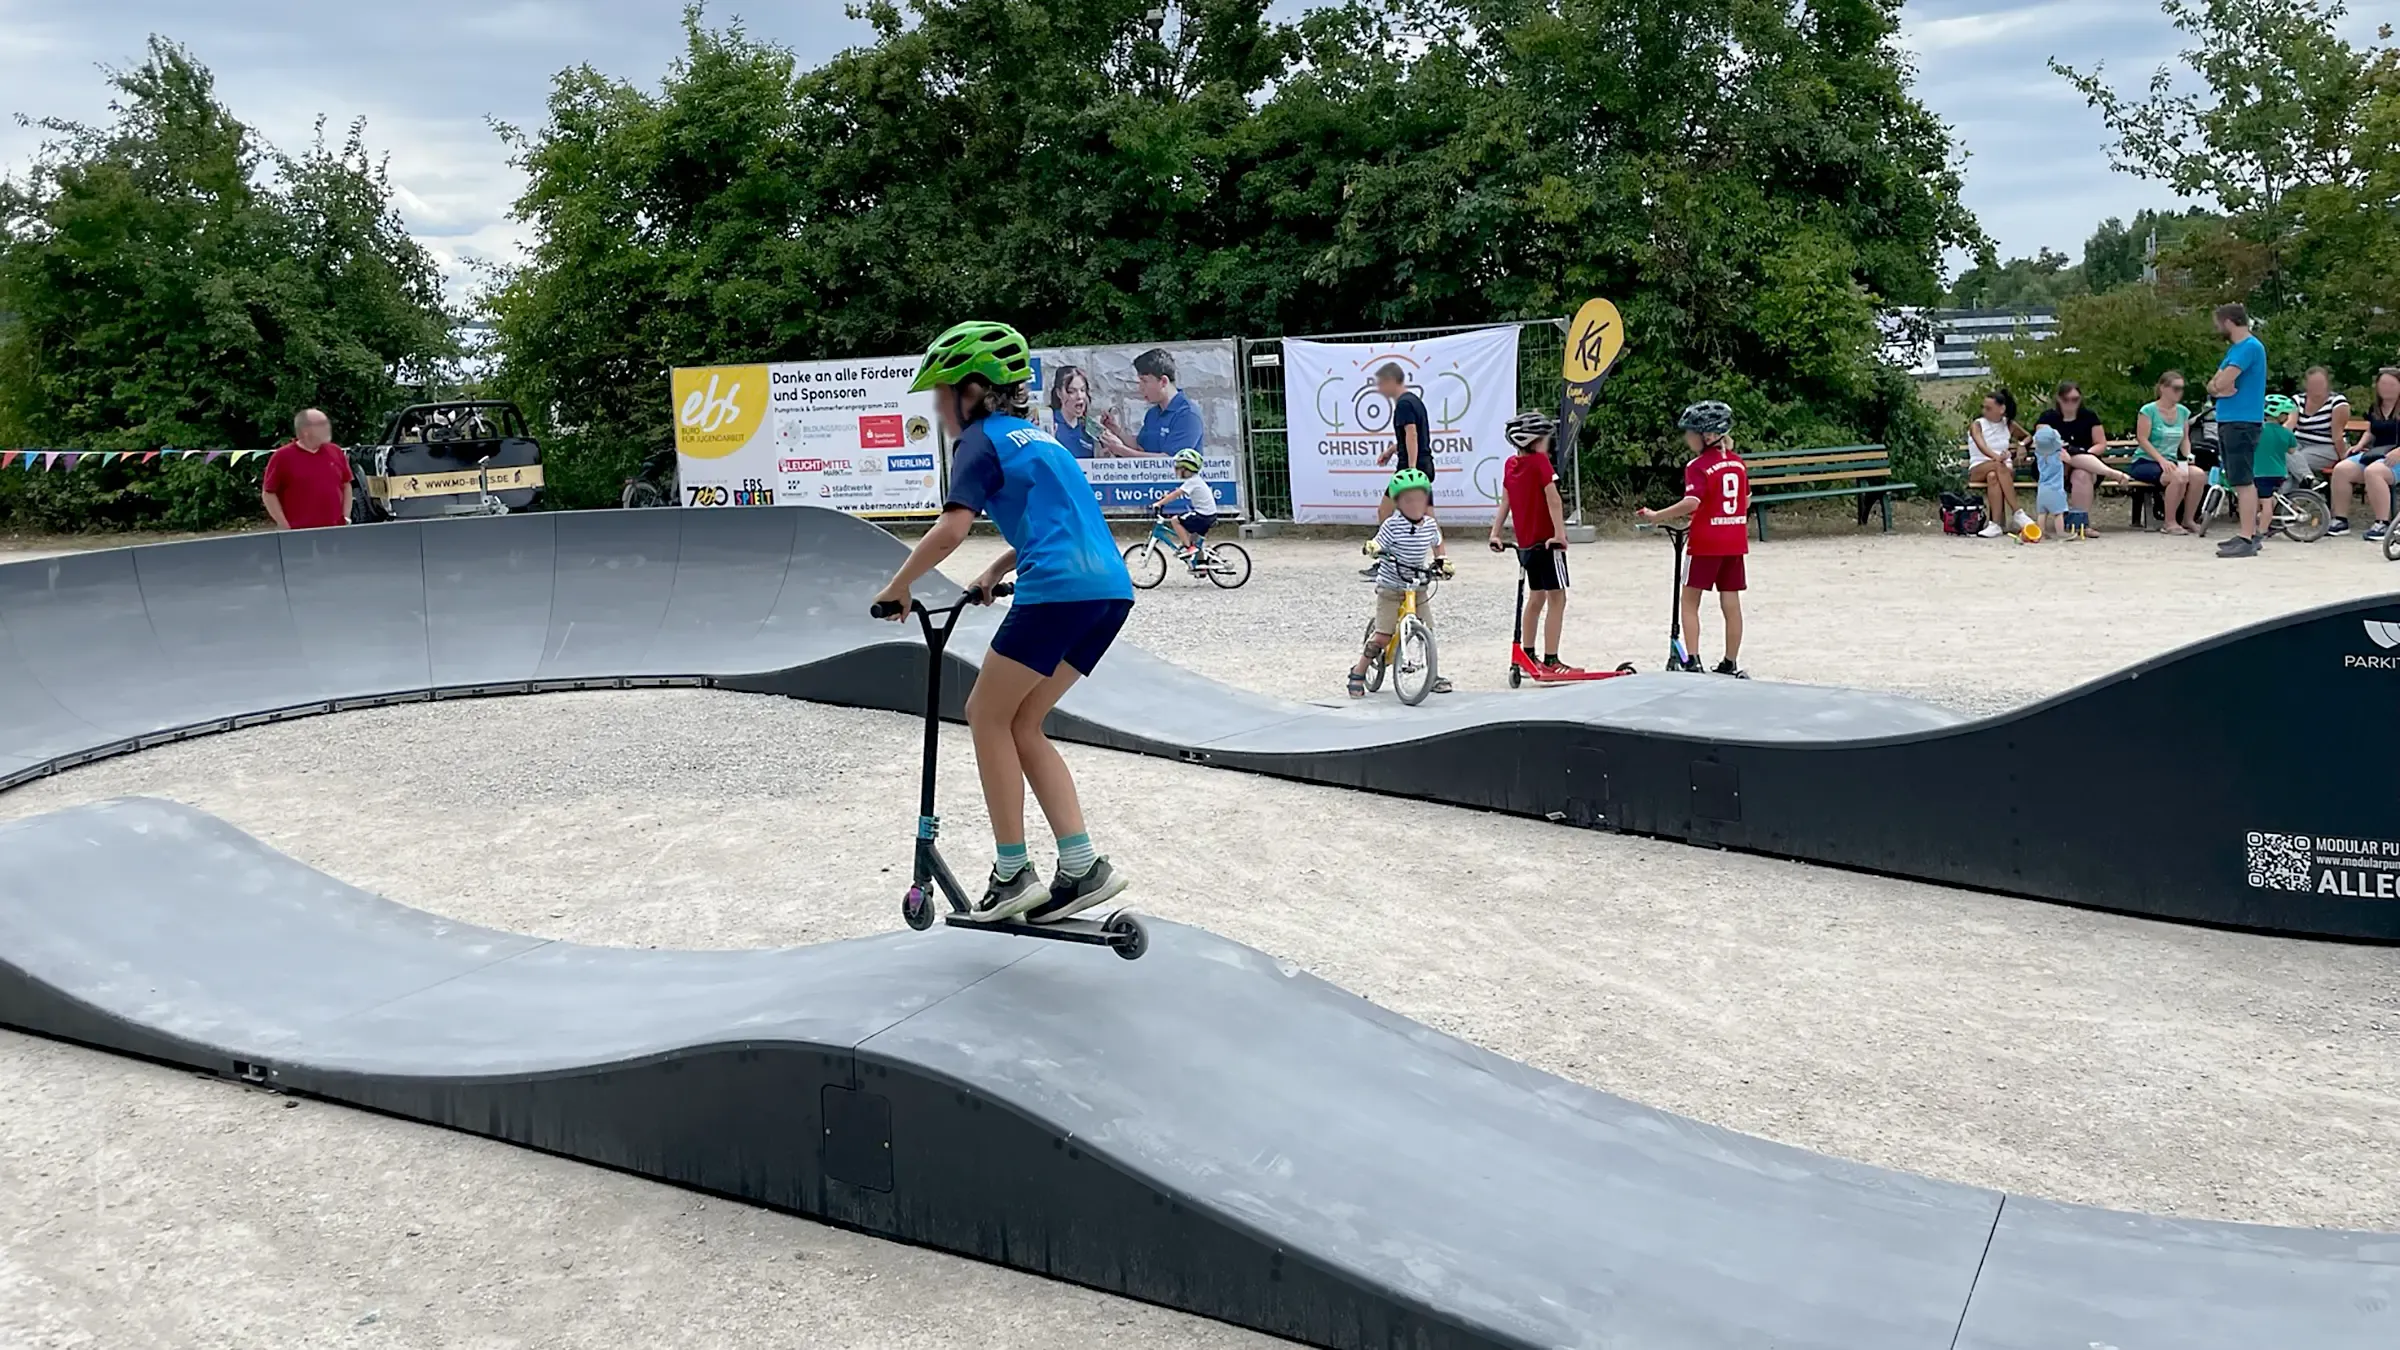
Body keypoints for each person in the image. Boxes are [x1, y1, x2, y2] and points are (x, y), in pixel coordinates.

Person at [870, 320, 1136, 924]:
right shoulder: (1043, 442)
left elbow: (949, 530)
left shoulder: (979, 442)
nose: (938, 408)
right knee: (1024, 721)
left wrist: (898, 588)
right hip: (1108, 593)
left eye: (942, 395)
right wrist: (993, 571)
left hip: (1056, 593)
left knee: (985, 714)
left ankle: (1012, 873)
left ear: (974, 391)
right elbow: (1058, 520)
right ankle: (1082, 866)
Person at [1637, 401, 1749, 678]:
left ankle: (1693, 660)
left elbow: (1692, 500)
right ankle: (1730, 661)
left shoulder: (1698, 465)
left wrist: (1657, 515)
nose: (1687, 438)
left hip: (1705, 543)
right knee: (1731, 602)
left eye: (1691, 433)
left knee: (1689, 601)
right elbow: (1744, 500)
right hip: (1734, 540)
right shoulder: (1738, 463)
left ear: (1708, 436)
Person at [1486, 411, 1577, 670]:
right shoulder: (1540, 462)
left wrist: (1495, 533)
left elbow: (1506, 501)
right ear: (1535, 441)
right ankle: (1551, 658)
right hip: (1547, 543)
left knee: (1536, 598)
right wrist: (1560, 534)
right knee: (1557, 598)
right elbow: (1554, 499)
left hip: (1526, 544)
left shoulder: (1510, 465)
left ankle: (1526, 655)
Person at [1349, 469, 1452, 698]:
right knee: (1383, 635)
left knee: (1428, 630)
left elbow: (1438, 544)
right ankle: (1358, 671)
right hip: (1391, 587)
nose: (1415, 505)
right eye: (1408, 500)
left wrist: (1442, 561)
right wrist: (1373, 548)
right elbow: (1377, 543)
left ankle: (1431, 674)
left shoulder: (1429, 525)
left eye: (1419, 499)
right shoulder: (1392, 525)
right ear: (1398, 503)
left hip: (1418, 586)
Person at [2205, 302, 2268, 557]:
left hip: (2242, 421)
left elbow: (2221, 381)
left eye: (2218, 322)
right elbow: (2213, 386)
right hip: (2230, 419)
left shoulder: (2249, 347)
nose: (2217, 327)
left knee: (2243, 480)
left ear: (2228, 321)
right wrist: (2218, 387)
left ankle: (2247, 536)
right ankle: (2246, 533)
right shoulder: (2236, 349)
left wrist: (2219, 387)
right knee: (2237, 477)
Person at [2034, 381, 2131, 533]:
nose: (2071, 403)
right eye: (2067, 399)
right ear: (2059, 399)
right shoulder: (2048, 417)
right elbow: (2043, 440)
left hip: (2086, 462)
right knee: (2066, 454)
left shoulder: (2089, 416)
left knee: (2082, 473)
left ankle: (2080, 524)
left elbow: (2100, 443)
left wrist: (2085, 456)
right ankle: (2113, 474)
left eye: (2075, 399)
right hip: (2054, 463)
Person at [2328, 368, 2400, 541]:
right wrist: (2360, 445)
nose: (2386, 388)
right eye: (2383, 384)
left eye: (2391, 384)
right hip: (2378, 453)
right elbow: (2371, 430)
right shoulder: (2376, 407)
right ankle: (2340, 519)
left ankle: (2382, 523)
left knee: (2374, 472)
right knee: (2342, 469)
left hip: (2396, 455)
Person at [2134, 372, 2206, 534]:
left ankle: (2188, 519)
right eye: (2176, 388)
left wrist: (2188, 456)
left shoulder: (2183, 412)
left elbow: (2184, 439)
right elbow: (2142, 439)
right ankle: (2169, 522)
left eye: (2182, 389)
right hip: (2146, 461)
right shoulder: (2148, 410)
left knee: (2198, 475)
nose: (2179, 392)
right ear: (2163, 389)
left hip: (2172, 461)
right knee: (2178, 477)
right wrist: (2161, 460)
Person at [1098, 348, 1197, 461]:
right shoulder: (1152, 413)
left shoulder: (1187, 414)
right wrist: (1116, 430)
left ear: (1163, 381)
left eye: (1144, 381)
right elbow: (1140, 447)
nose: (1140, 387)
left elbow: (1170, 461)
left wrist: (1120, 450)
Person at [262, 408, 354, 530]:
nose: (327, 427)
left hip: (335, 531)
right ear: (305, 430)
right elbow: (268, 493)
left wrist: (346, 517)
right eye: (321, 424)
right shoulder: (282, 456)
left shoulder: (335, 452)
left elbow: (346, 484)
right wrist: (284, 525)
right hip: (299, 533)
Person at [1966, 388, 2028, 537]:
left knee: (1993, 476)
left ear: (2001, 409)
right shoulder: (1978, 424)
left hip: (2002, 469)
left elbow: (2027, 436)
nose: (1984, 411)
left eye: (1988, 408)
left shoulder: (2008, 425)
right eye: (1983, 407)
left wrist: (2021, 445)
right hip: (1979, 467)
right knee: (1997, 467)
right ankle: (2017, 512)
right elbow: (1981, 445)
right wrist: (1997, 457)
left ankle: (1995, 524)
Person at [1151, 447, 1218, 565]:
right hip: (1208, 515)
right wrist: (1165, 498)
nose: (1175, 470)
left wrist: (1159, 503)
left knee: (1175, 520)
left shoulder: (1192, 481)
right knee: (1194, 540)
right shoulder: (1195, 480)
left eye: (1178, 468)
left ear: (1186, 469)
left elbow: (1177, 494)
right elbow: (1177, 492)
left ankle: (1188, 549)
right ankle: (1200, 565)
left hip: (1203, 515)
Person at [2250, 394, 2299, 545]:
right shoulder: (2286, 433)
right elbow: (2291, 451)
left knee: (2263, 502)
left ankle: (2261, 531)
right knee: (2267, 500)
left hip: (2260, 471)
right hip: (2279, 472)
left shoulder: (2258, 430)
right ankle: (2262, 527)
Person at [2291, 366, 2351, 486]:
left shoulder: (2337, 402)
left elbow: (2337, 435)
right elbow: (2290, 424)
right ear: (2305, 384)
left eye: (2320, 383)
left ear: (2327, 383)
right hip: (2298, 443)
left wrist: (2344, 458)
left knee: (2296, 461)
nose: (2316, 387)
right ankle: (2298, 495)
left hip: (2326, 446)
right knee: (2282, 454)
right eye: (2313, 383)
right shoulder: (2298, 400)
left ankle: (2303, 490)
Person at [1046, 364, 1098, 459]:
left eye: (1083, 390)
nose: (1079, 396)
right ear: (1059, 393)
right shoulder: (1049, 424)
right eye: (1071, 391)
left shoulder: (1089, 427)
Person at [2030, 424, 2069, 540]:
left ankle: (2041, 532)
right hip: (2056, 488)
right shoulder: (2058, 454)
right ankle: (2061, 532)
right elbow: (2069, 460)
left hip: (2042, 488)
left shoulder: (2039, 454)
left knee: (2042, 513)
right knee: (2058, 513)